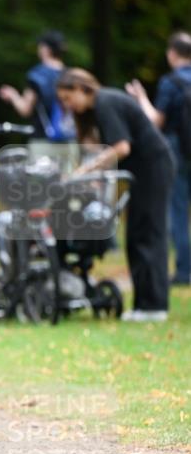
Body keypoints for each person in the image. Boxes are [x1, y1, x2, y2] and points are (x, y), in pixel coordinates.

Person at [56, 68, 174, 322]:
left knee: (148, 234)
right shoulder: (98, 108)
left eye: (67, 98)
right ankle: (145, 305)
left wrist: (83, 172)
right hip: (140, 172)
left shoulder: (105, 102)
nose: (68, 106)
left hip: (152, 168)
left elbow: (121, 147)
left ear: (80, 88)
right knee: (135, 236)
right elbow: (101, 148)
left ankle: (154, 306)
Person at [125, 30, 191, 286]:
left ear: (172, 54)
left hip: (176, 148)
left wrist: (140, 98)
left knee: (176, 209)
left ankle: (185, 271)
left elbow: (156, 121)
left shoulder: (170, 82)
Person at [0, 30, 77, 172]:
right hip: (69, 142)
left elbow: (25, 109)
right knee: (69, 187)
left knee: (40, 189)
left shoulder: (37, 74)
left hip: (43, 141)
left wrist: (13, 95)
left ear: (46, 49)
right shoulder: (71, 75)